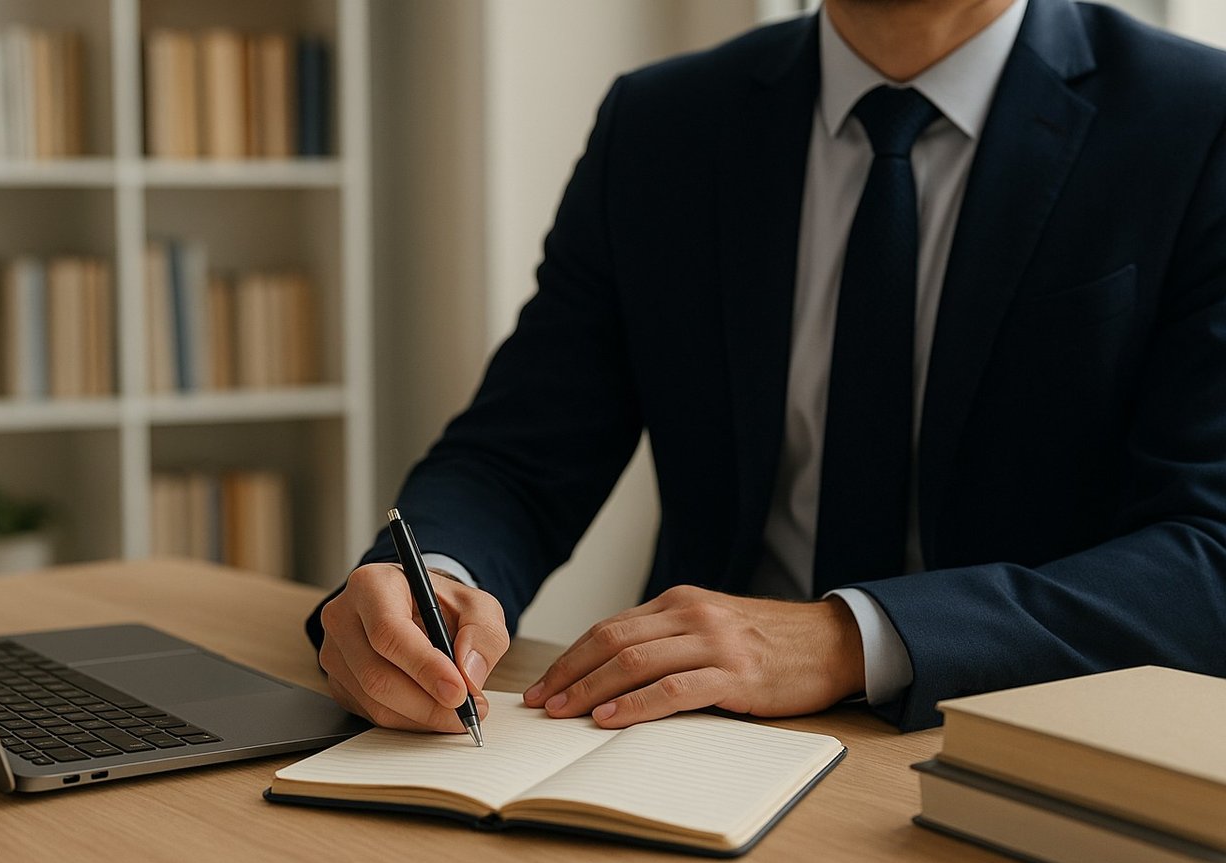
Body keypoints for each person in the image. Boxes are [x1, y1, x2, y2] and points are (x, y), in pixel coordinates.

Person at [308, 0, 1226, 734]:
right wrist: (431, 579)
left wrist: (850, 638)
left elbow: (1208, 554)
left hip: (1025, 756)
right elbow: (516, 454)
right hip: (684, 737)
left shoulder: (1198, 120)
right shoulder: (662, 123)